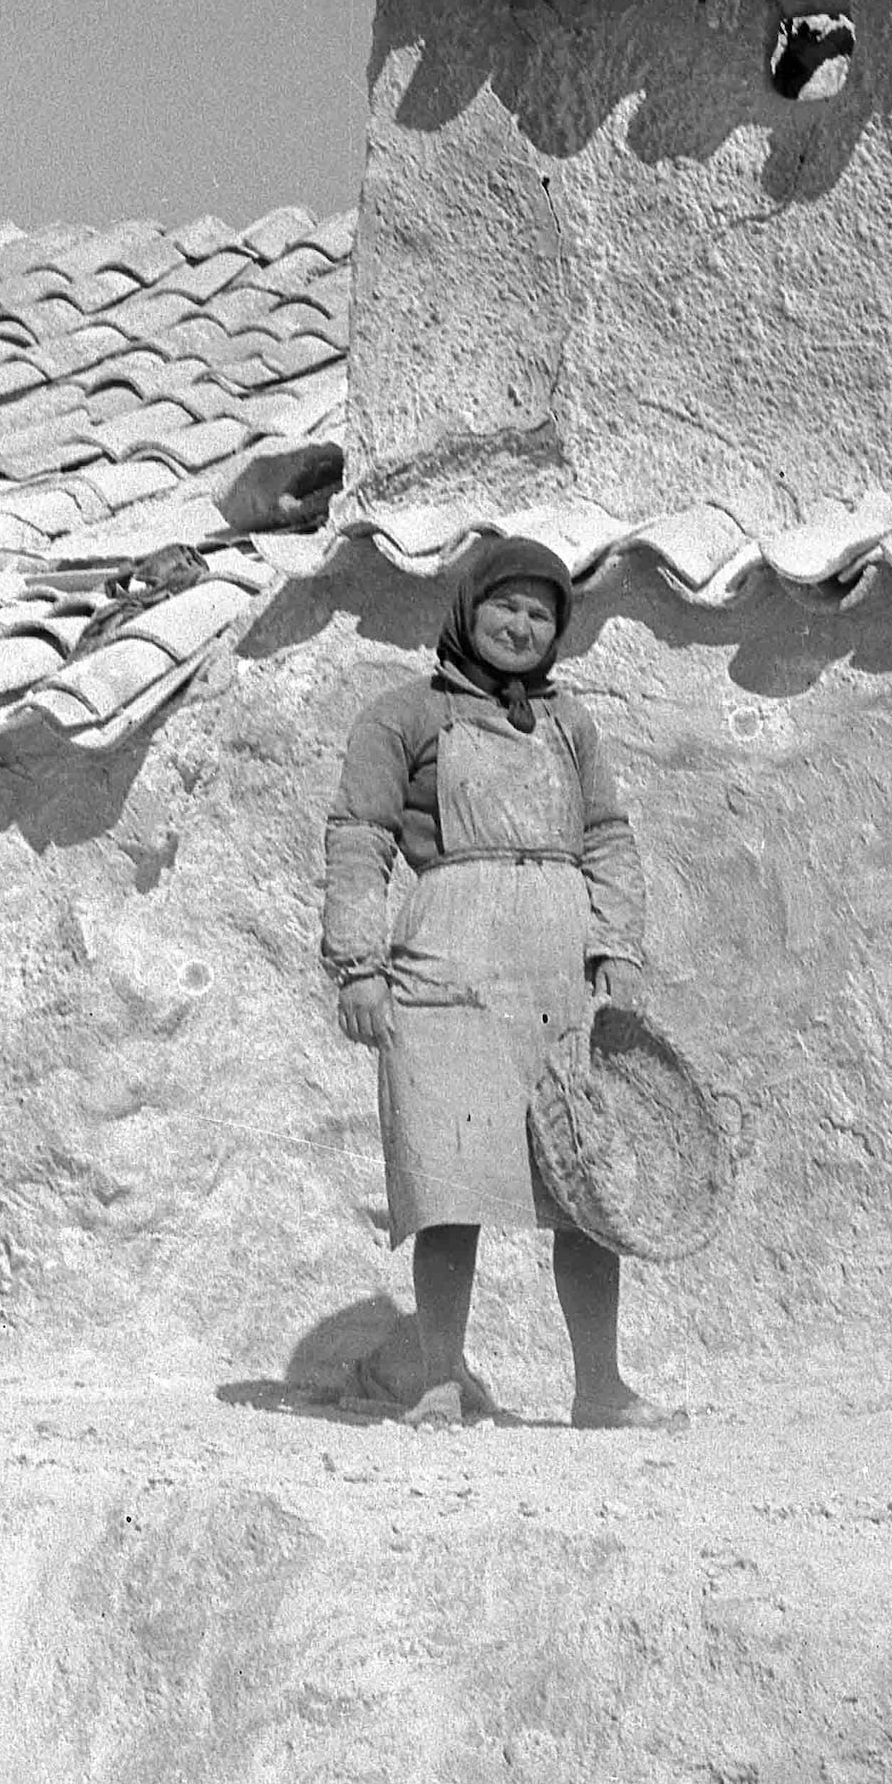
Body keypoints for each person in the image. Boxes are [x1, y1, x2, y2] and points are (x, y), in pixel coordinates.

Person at [318, 535, 659, 1429]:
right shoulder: (404, 716)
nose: (521, 625)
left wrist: (615, 949)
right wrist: (359, 968)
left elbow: (609, 838)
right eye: (505, 605)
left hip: (554, 966)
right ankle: (441, 1380)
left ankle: (600, 1386)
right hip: (445, 967)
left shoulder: (569, 724)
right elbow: (359, 840)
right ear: (469, 610)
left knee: (579, 1182)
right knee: (448, 1183)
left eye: (541, 613)